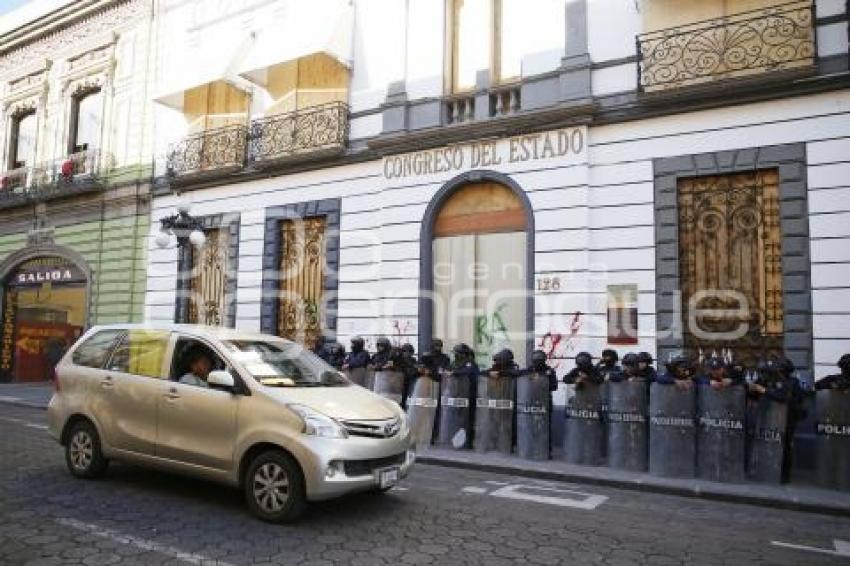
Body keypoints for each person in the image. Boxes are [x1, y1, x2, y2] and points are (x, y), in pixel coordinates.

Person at [748, 356, 806, 482]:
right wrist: (757, 386)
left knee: (785, 446)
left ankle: (784, 475)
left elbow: (782, 396)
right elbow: (754, 393)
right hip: (769, 418)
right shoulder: (772, 381)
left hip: (788, 418)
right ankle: (765, 469)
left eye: (779, 371)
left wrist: (763, 390)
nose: (777, 374)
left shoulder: (793, 382)